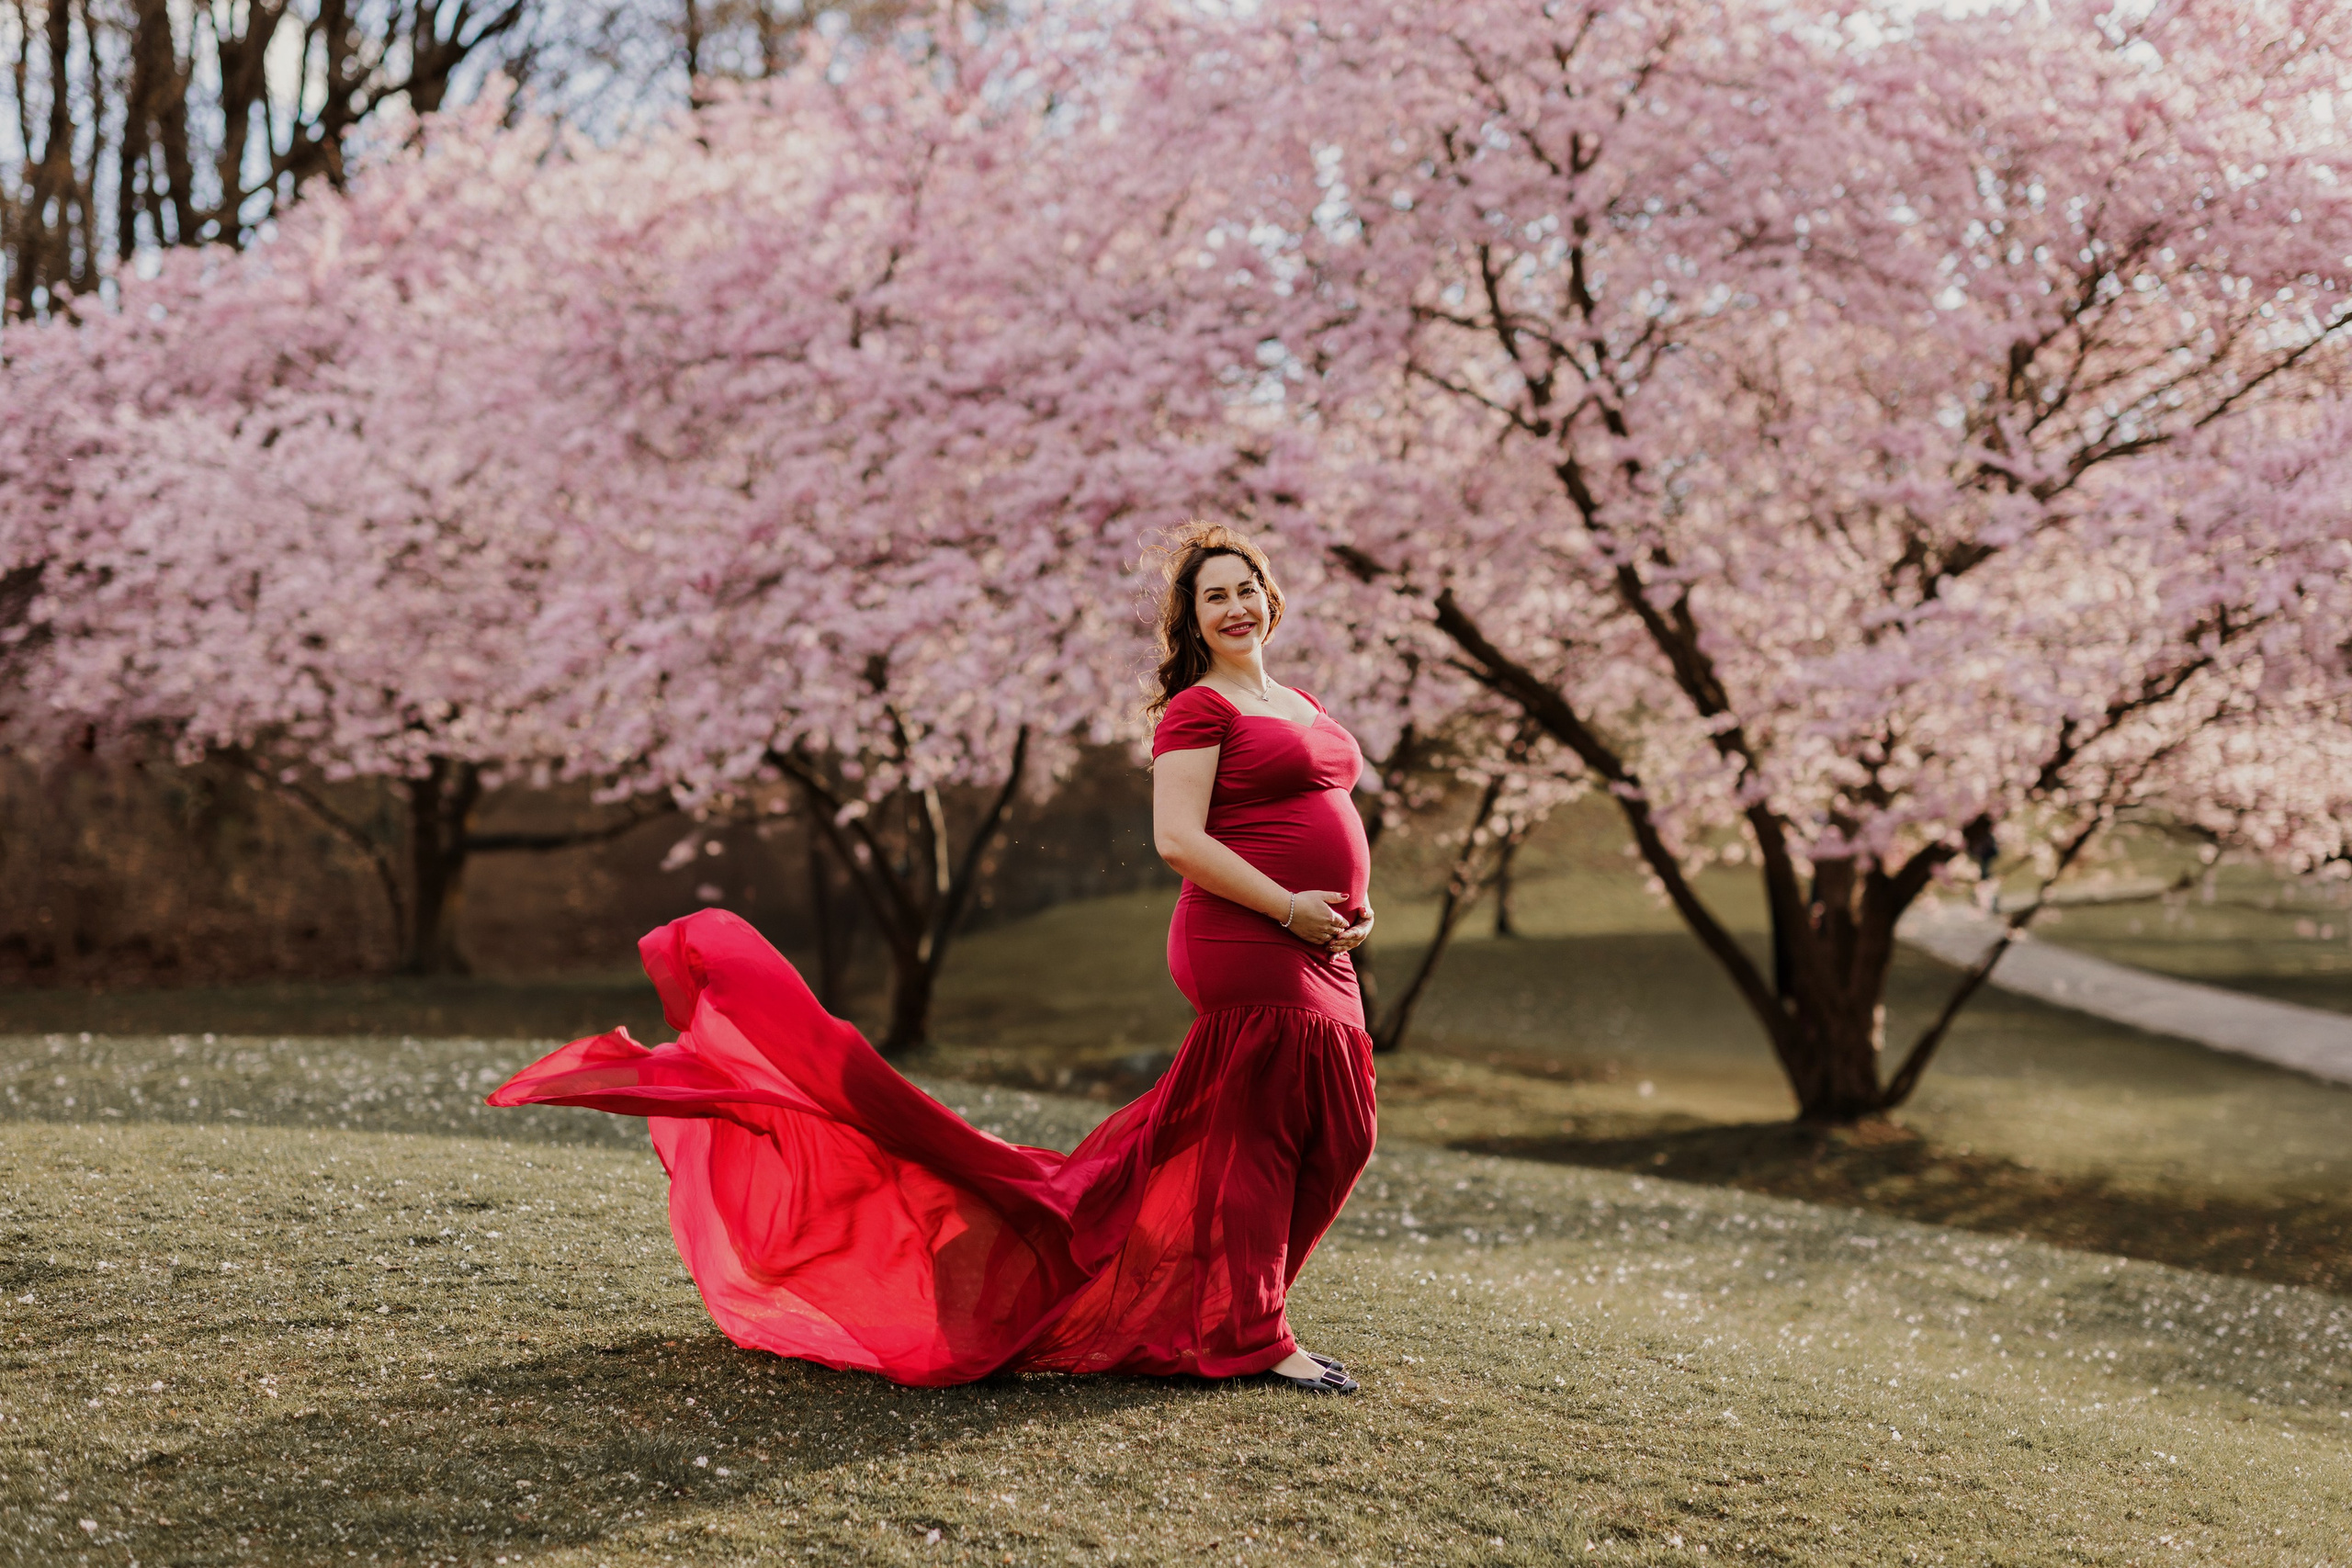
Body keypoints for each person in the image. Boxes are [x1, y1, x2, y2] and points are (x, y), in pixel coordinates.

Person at [485, 520, 1376, 1394]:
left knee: (1340, 1132)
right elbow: (1178, 838)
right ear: (1190, 621)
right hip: (1245, 935)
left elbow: (1326, 810)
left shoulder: (1300, 704)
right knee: (1259, 1139)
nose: (1233, 606)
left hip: (1317, 940)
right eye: (1211, 596)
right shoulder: (1198, 708)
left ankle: (1211, 1308)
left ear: (1271, 596)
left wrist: (1348, 907)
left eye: (1244, 588)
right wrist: (1288, 906)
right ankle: (1249, 1333)